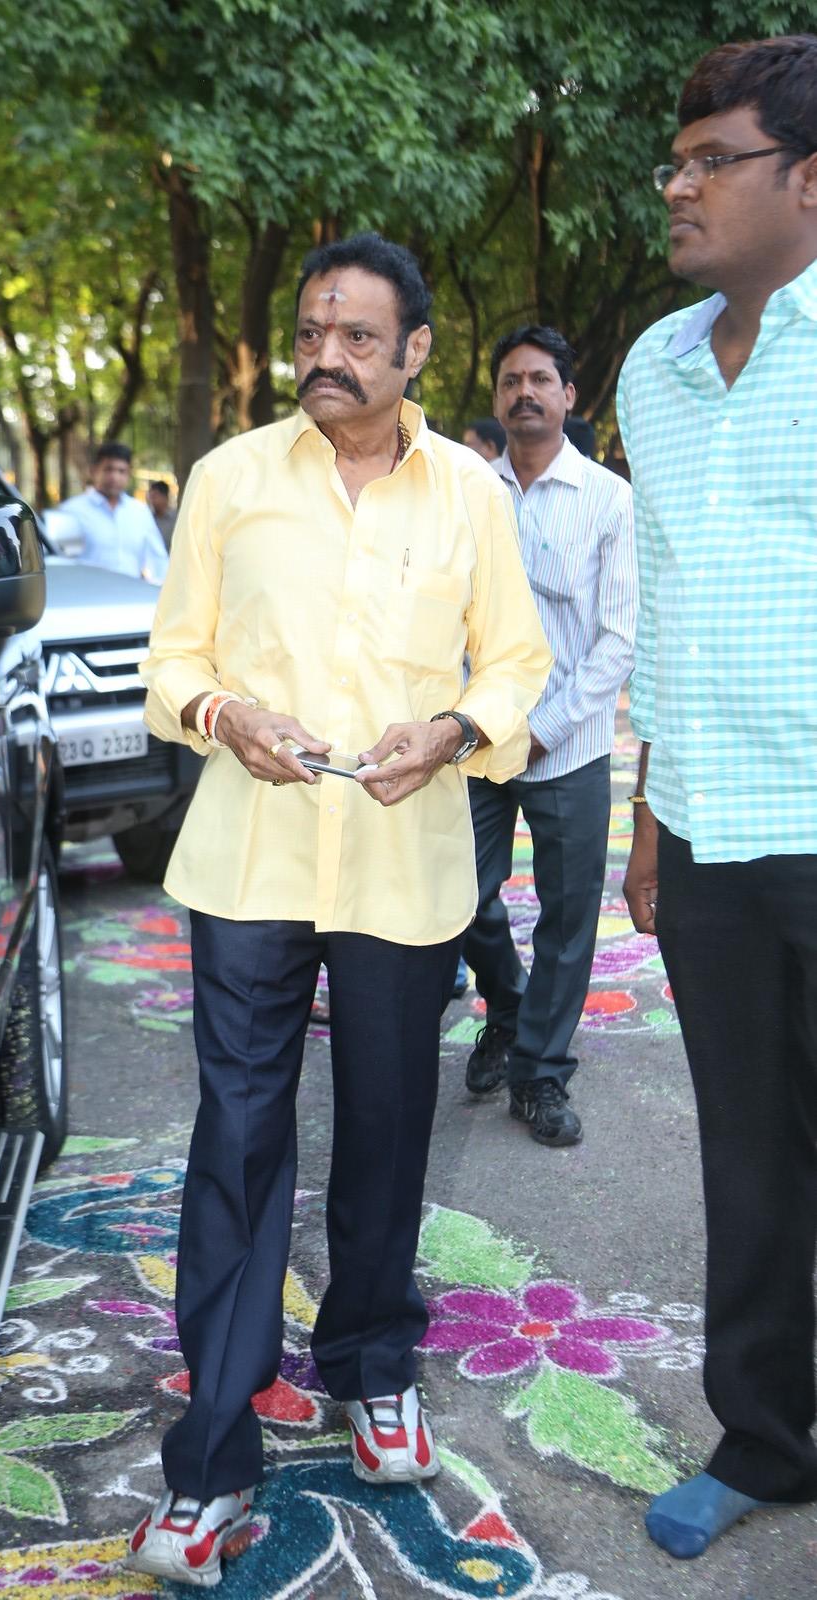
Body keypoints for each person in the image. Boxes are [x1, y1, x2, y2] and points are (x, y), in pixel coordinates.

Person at [128, 232, 551, 1587]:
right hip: (249, 856)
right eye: (312, 332)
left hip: (399, 859)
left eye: (356, 336)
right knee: (237, 1138)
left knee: (385, 1125)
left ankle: (371, 1365)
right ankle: (211, 1454)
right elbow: (169, 662)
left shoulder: (468, 492)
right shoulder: (230, 478)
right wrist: (221, 713)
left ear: (414, 350)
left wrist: (451, 730)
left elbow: (515, 662)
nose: (325, 355)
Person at [618, 33, 817, 1561]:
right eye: (673, 163)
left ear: (804, 181)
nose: (676, 188)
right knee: (747, 1159)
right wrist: (645, 822)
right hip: (703, 836)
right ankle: (763, 1437)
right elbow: (663, 604)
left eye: (710, 161)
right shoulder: (653, 367)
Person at [461, 325, 636, 1147]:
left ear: (568, 396)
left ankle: (538, 1074)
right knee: (458, 896)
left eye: (539, 380)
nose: (523, 392)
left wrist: (544, 729)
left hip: (569, 745)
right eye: (510, 381)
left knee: (567, 920)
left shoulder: (607, 498)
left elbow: (617, 639)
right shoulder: (466, 490)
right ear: (496, 399)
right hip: (474, 738)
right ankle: (506, 1007)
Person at [53, 441, 168, 584]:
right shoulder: (72, 511)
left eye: (121, 471)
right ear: (93, 471)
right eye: (108, 469)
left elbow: (158, 561)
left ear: (129, 474)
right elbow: (61, 563)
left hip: (131, 594)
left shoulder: (140, 512)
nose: (115, 477)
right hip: (86, 594)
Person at [147, 478, 178, 550]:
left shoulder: (176, 519)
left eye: (154, 497)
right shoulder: (148, 518)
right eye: (150, 497)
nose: (151, 501)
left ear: (164, 497)